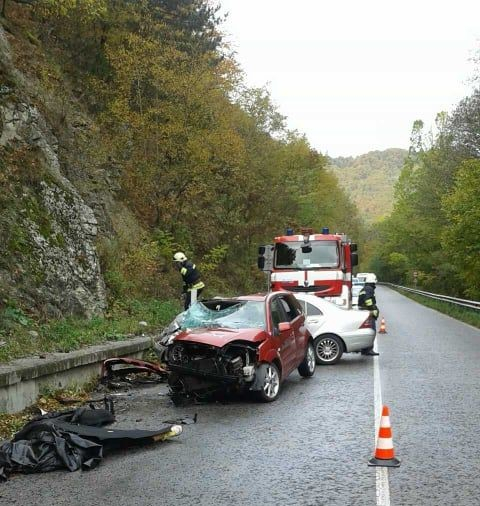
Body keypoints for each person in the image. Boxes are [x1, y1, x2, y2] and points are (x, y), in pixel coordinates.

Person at [358, 273, 380, 356]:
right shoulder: (369, 289)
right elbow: (368, 300)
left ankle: (364, 349)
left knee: (366, 330)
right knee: (371, 330)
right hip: (368, 312)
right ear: (372, 281)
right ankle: (369, 349)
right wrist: (373, 309)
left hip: (363, 312)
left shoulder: (364, 288)